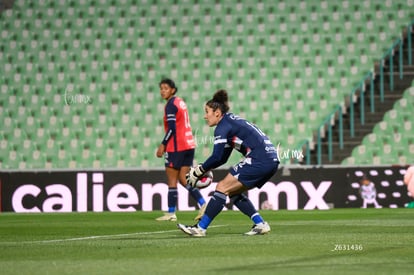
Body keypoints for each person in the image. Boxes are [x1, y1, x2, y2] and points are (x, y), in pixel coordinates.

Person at [177, 90, 280, 237]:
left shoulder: (222, 127)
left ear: (217, 112)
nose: (205, 116)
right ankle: (260, 224)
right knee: (233, 192)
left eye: (207, 112)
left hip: (260, 158)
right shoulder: (230, 122)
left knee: (222, 187)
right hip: (271, 159)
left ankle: (200, 228)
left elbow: (217, 155)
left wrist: (199, 170)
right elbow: (221, 158)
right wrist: (202, 168)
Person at [155, 78, 206, 221]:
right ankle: (203, 204)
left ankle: (171, 213)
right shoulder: (180, 102)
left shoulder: (171, 105)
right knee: (184, 179)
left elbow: (172, 128)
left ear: (172, 89)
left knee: (172, 179)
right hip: (189, 144)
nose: (162, 91)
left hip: (177, 146)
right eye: (161, 88)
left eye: (165, 88)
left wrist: (163, 144)